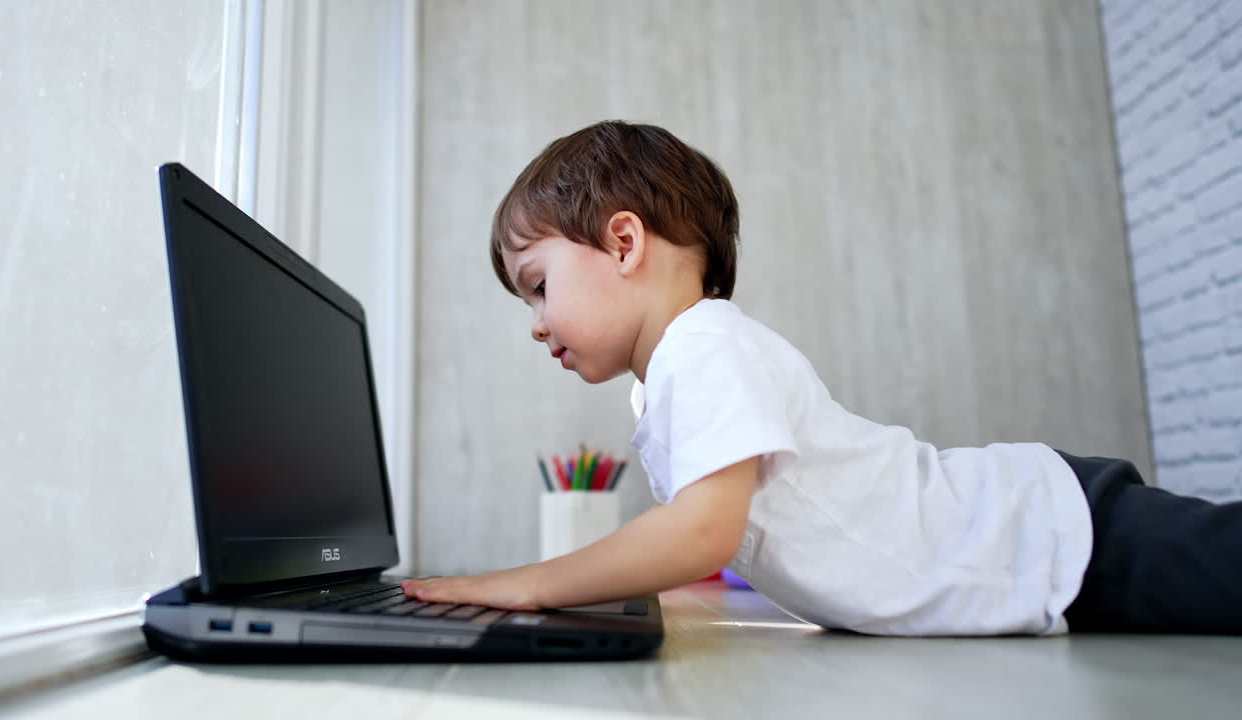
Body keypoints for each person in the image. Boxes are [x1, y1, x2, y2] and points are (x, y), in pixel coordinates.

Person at [402, 120, 1242, 635]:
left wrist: (533, 583)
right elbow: (744, 522)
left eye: (539, 286)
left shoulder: (704, 349)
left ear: (624, 243)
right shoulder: (673, 374)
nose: (537, 322)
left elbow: (703, 530)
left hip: (1049, 534)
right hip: (1037, 546)